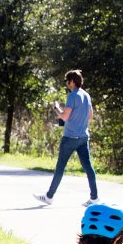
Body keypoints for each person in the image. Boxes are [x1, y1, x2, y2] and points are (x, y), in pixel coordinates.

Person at [34, 69, 98, 206]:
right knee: (88, 168)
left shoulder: (72, 96)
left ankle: (49, 197)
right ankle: (94, 198)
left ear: (72, 82)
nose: (67, 84)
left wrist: (56, 108)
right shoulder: (86, 95)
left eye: (67, 81)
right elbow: (90, 117)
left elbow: (64, 116)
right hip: (83, 137)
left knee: (60, 168)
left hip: (69, 138)